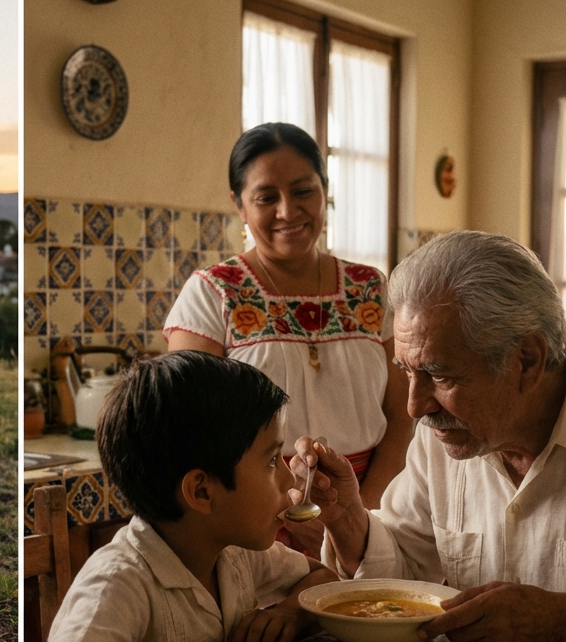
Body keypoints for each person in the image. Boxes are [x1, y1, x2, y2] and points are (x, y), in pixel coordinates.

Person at [294, 230, 566, 642]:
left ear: (527, 360)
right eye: (407, 372)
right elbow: (406, 574)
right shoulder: (444, 438)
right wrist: (346, 520)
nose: (415, 406)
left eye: (441, 375)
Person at [35, 351, 345, 642]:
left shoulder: (232, 553)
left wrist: (289, 612)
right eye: (269, 461)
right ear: (200, 492)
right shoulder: (121, 577)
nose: (285, 479)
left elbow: (323, 580)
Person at [164, 122, 412, 556]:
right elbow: (192, 431)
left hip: (370, 516)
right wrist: (282, 510)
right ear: (239, 205)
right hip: (251, 526)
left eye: (302, 191)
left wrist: (353, 518)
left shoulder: (370, 289)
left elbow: (403, 416)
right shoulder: (213, 293)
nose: (287, 211)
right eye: (266, 197)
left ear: (324, 191)